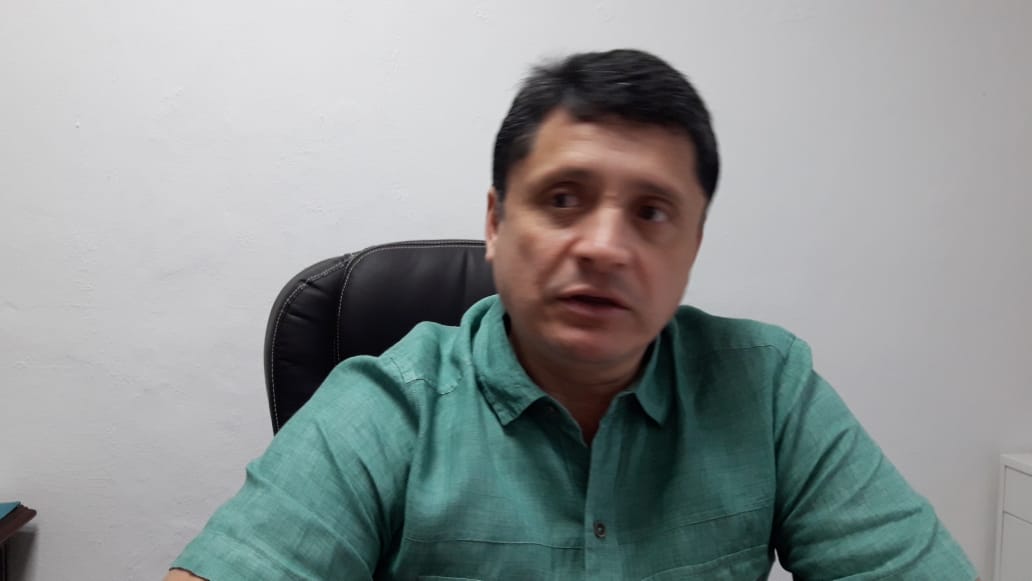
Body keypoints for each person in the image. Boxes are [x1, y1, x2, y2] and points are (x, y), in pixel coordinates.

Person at [166, 49, 978, 580]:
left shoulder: (767, 388)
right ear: (495, 222)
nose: (604, 246)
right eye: (563, 198)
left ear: (694, 246)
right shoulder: (387, 407)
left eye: (652, 212)